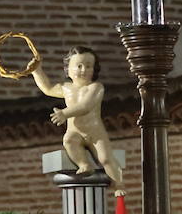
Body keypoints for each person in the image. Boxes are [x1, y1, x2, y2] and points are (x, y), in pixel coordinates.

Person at [31, 46, 123, 187]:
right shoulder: (66, 88)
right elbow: (47, 89)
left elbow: (85, 106)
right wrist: (36, 71)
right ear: (68, 69)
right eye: (78, 66)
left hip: (95, 132)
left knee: (105, 159)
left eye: (88, 66)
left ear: (94, 70)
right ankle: (84, 164)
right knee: (68, 141)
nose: (83, 70)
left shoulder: (96, 88)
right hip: (75, 131)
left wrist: (64, 113)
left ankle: (118, 186)